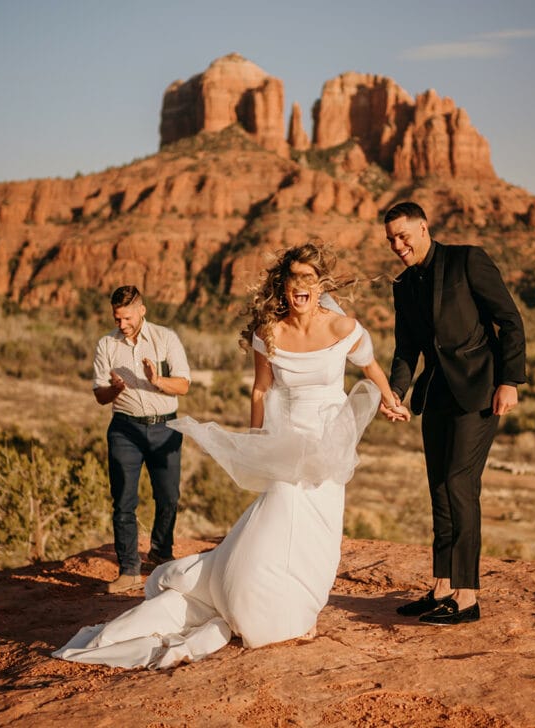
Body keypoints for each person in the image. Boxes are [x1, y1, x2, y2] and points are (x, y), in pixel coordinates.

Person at [54, 243, 408, 668]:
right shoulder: (269, 333)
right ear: (284, 285)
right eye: (294, 279)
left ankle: (304, 607)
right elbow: (260, 388)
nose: (302, 287)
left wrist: (391, 401)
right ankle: (261, 606)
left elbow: (370, 368)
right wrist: (258, 438)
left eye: (310, 279)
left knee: (322, 530)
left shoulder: (344, 327)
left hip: (329, 444)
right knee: (278, 515)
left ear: (320, 285)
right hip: (286, 442)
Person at [380, 201, 526, 625]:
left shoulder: (467, 260)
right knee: (440, 489)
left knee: (461, 484)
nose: (398, 245)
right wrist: (396, 391)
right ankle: (442, 587)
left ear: (424, 228)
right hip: (437, 393)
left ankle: (468, 597)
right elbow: (406, 347)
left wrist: (509, 380)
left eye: (403, 235)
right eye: (391, 239)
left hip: (481, 388)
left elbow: (509, 320)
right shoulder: (403, 284)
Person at [92, 285, 191, 594]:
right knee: (123, 501)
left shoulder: (166, 339)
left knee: (168, 497)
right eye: (117, 319)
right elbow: (99, 394)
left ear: (142, 311)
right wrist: (115, 390)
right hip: (125, 429)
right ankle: (129, 570)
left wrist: (157, 381)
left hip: (165, 428)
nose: (122, 325)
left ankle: (161, 554)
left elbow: (184, 385)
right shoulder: (106, 344)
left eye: (127, 318)